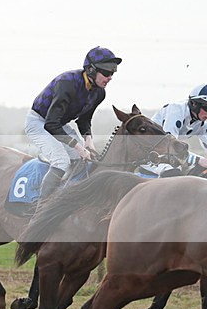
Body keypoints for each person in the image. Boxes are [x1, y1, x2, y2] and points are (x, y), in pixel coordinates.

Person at [25, 46, 122, 200]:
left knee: (79, 160)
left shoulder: (99, 93)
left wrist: (88, 141)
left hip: (58, 123)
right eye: (106, 73)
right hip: (38, 122)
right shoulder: (67, 83)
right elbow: (50, 124)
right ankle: (40, 209)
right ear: (91, 70)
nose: (110, 77)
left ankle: (62, 196)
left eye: (112, 73)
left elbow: (84, 119)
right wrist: (78, 147)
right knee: (61, 161)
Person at [142, 83, 207, 177]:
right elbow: (170, 147)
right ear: (194, 104)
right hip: (151, 157)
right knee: (174, 172)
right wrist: (197, 160)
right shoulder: (176, 111)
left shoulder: (201, 121)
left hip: (170, 156)